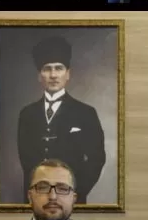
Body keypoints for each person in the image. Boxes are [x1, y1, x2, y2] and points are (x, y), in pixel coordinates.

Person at [16, 35, 106, 204]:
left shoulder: (86, 113)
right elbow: (26, 162)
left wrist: (75, 191)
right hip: (36, 200)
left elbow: (97, 158)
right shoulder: (27, 114)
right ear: (39, 75)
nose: (53, 75)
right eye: (47, 69)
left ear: (68, 74)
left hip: (71, 201)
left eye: (59, 68)